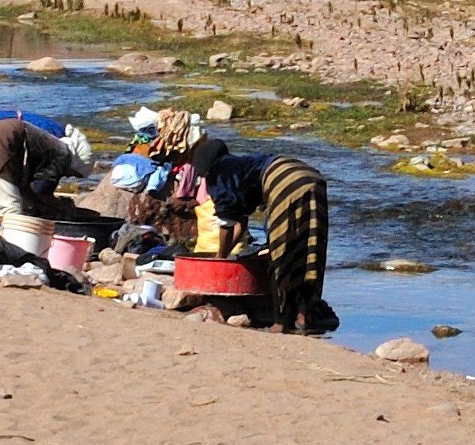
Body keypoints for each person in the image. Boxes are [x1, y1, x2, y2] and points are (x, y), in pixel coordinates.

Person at [140, 114, 337, 335]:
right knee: (309, 247)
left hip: (284, 180)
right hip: (310, 176)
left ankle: (281, 322)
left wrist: (220, 258)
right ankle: (305, 314)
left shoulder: (218, 175)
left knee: (281, 254)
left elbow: (225, 225)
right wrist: (229, 251)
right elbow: (239, 225)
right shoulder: (240, 165)